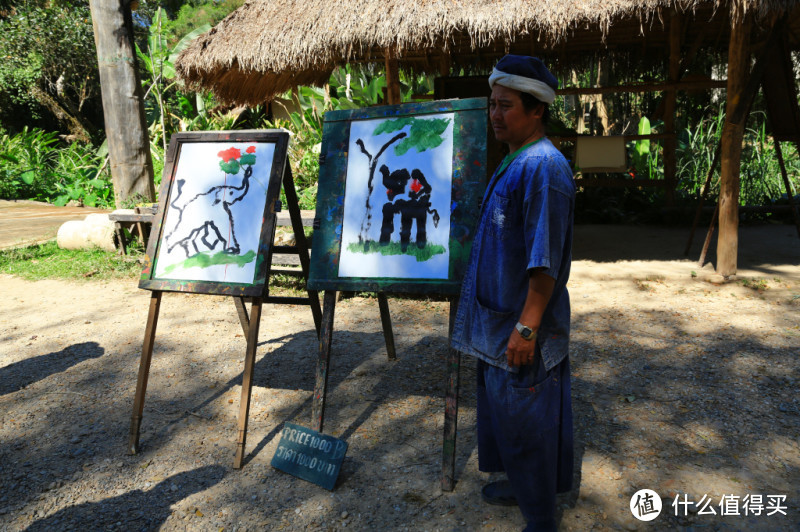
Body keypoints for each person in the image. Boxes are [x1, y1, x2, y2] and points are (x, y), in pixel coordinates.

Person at [450, 55, 575, 531]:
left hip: (520, 327)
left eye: (505, 106)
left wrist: (527, 327)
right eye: (492, 105)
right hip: (497, 320)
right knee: (506, 416)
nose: (495, 114)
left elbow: (544, 264)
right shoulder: (515, 159)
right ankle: (522, 487)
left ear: (536, 108)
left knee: (528, 422)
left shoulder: (543, 169)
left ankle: (541, 518)